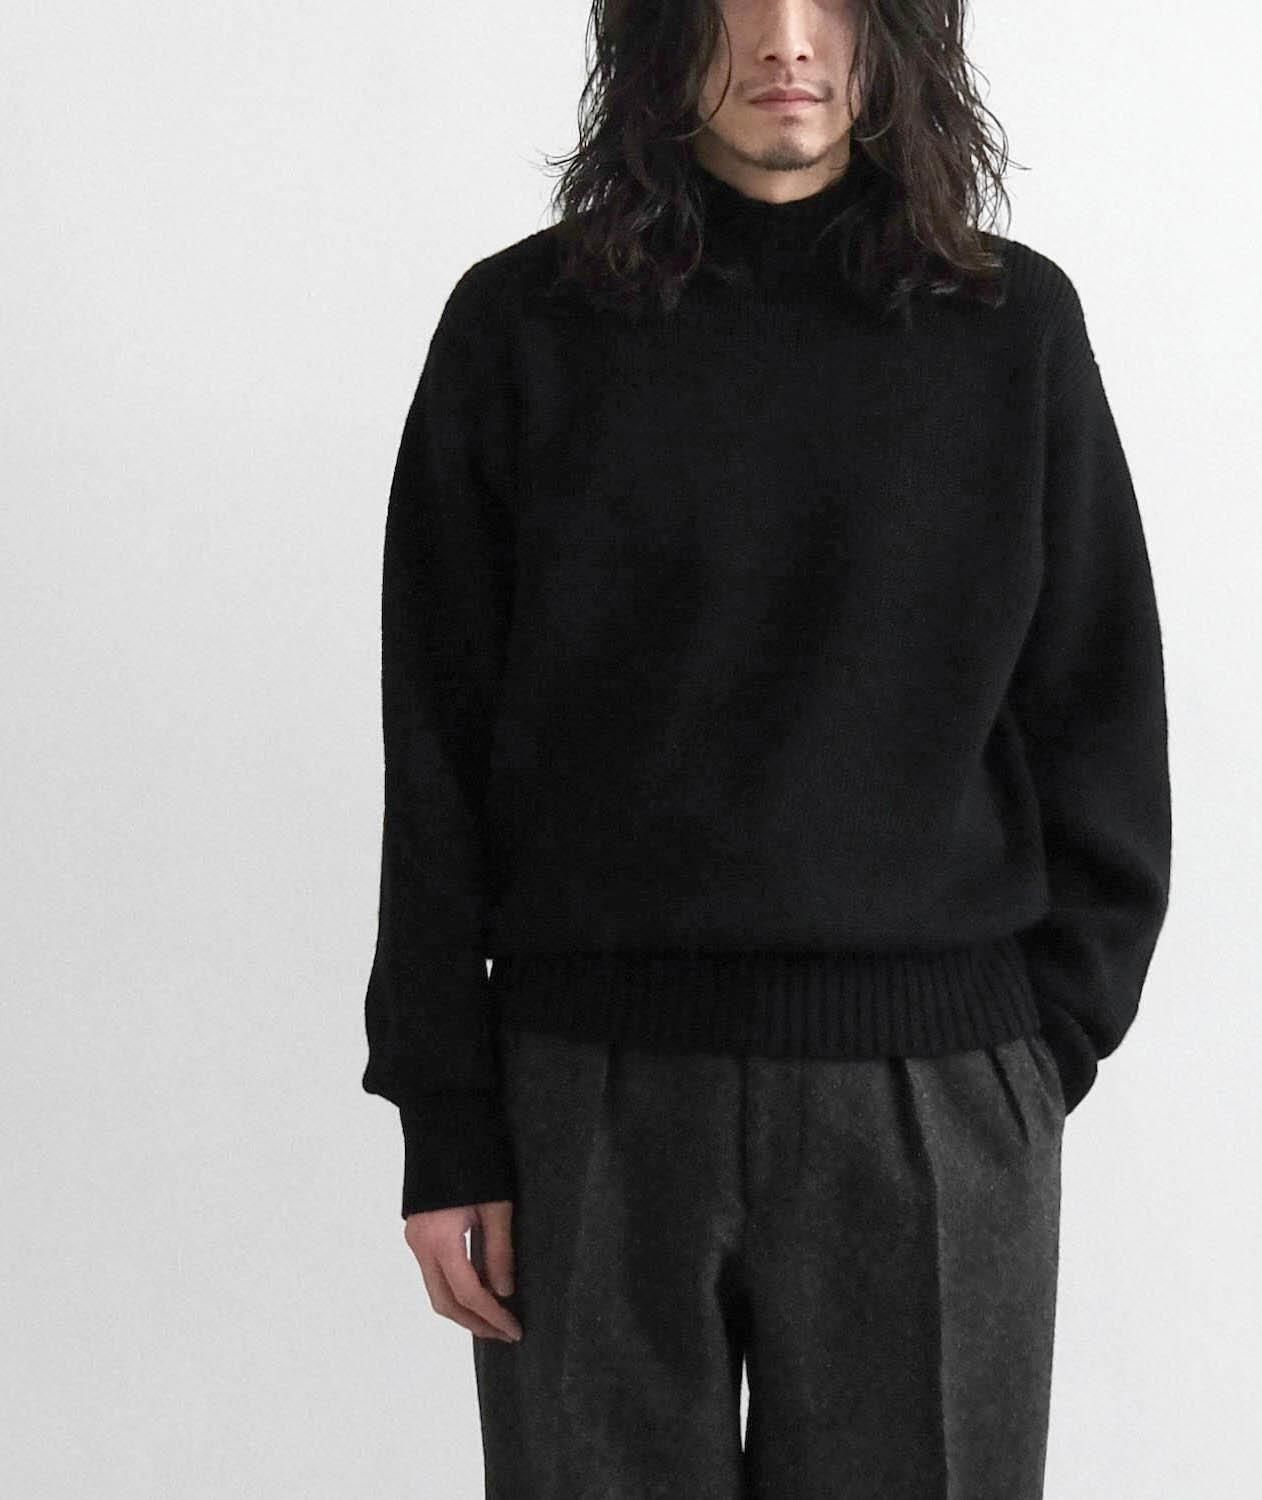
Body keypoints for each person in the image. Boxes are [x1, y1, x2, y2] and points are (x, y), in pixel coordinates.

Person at [360, 0, 1171, 1494]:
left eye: (832, 1)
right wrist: (448, 1118)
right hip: (588, 1092)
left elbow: (1099, 709)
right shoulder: (521, 327)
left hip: (932, 1087)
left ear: (894, 34)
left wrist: (1031, 1052)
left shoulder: (1010, 329)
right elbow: (437, 745)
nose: (787, 40)